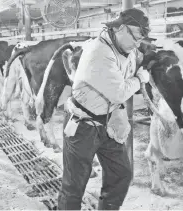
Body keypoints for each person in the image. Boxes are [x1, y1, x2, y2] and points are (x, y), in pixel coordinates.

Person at [58, 8, 150, 210]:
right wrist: (140, 79)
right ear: (122, 29)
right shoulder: (99, 51)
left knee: (121, 174)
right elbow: (118, 92)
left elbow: (132, 63)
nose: (137, 44)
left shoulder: (127, 48)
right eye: (136, 38)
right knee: (75, 185)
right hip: (82, 126)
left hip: (107, 124)